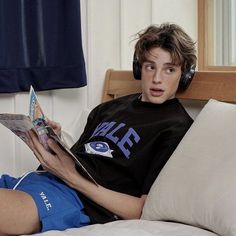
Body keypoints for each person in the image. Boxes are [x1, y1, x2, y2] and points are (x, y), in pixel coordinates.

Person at [0, 23, 196, 235]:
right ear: (139, 68)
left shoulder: (176, 128)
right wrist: (52, 140)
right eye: (150, 67)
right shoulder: (107, 109)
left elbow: (142, 210)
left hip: (74, 199)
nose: (157, 79)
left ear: (184, 75)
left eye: (170, 69)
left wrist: (71, 179)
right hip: (39, 180)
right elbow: (77, 161)